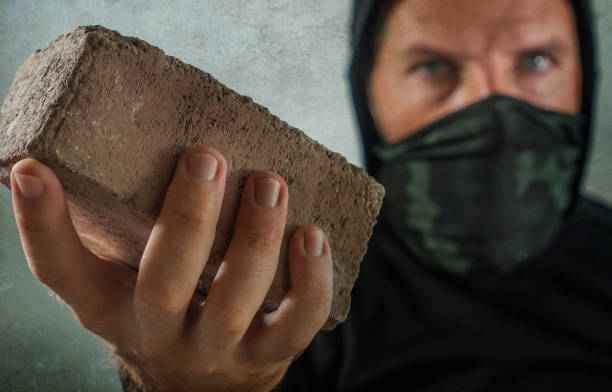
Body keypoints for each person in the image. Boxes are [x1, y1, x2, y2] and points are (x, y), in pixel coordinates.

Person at [7, 0, 612, 391]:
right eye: (432, 67)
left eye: (536, 59)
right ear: (368, 93)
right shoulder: (282, 299)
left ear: (587, 78)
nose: (486, 103)